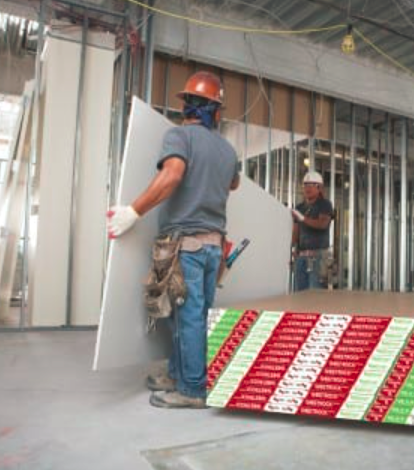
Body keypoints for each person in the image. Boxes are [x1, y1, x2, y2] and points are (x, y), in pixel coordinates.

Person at [106, 71, 240, 409]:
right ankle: (180, 375)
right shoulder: (227, 151)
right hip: (214, 247)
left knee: (188, 317)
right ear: (216, 112)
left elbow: (173, 174)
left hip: (187, 246)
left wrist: (133, 212)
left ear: (186, 107)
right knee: (190, 316)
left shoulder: (178, 136)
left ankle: (192, 390)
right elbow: (233, 184)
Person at [291, 171, 333, 291]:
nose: (307, 188)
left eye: (311, 185)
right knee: (300, 293)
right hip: (301, 257)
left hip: (318, 256)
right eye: (305, 185)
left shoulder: (325, 204)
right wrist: (293, 250)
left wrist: (303, 218)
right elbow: (296, 230)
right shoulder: (300, 207)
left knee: (316, 293)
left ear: (319, 188)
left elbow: (323, 224)